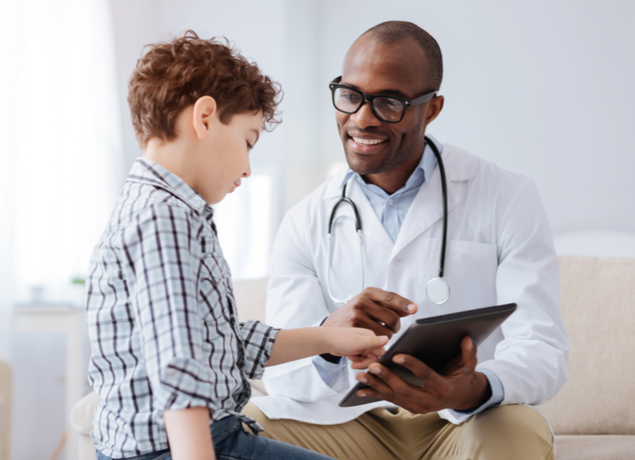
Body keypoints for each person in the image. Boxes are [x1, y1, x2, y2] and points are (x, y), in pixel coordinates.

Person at [243, 21, 570, 460]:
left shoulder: (506, 196)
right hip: (351, 424)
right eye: (351, 95)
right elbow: (284, 377)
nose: (362, 118)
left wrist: (471, 388)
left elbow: (542, 349)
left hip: (461, 419)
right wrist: (328, 340)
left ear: (431, 109)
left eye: (389, 102)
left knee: (519, 428)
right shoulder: (305, 220)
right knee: (250, 426)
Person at [85, 31, 390, 460]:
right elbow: (180, 367)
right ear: (205, 118)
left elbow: (219, 343)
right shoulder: (164, 220)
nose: (247, 169)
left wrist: (328, 339)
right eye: (248, 142)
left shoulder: (162, 212)